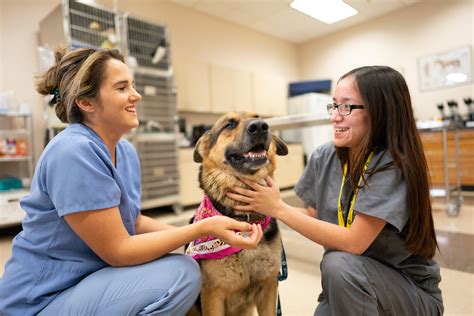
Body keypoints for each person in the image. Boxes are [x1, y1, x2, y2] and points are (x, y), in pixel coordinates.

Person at [0, 47, 263, 316]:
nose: (135, 95)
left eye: (133, 85)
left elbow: (133, 222)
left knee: (179, 263)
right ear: (86, 103)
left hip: (89, 281)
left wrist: (205, 233)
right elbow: (119, 250)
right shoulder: (73, 152)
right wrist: (200, 230)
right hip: (42, 299)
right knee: (180, 274)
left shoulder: (124, 151)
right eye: (122, 87)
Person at [228, 66, 443, 315]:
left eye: (347, 107)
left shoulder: (392, 164)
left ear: (380, 112)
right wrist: (260, 208)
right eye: (334, 105)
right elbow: (314, 218)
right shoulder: (324, 156)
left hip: (405, 289)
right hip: (349, 280)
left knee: (337, 264)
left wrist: (278, 207)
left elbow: (354, 243)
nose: (335, 117)